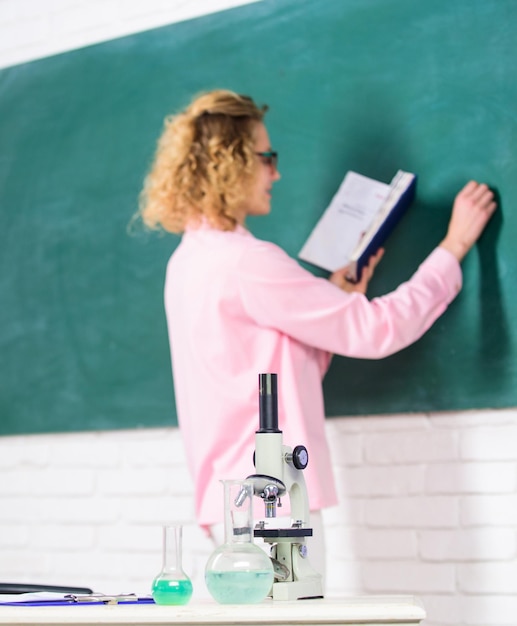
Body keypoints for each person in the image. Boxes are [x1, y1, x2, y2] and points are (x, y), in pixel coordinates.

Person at [138, 89, 496, 555]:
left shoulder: (187, 263)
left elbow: (259, 374)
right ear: (233, 161)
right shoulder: (248, 263)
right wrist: (453, 248)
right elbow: (376, 329)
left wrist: (334, 295)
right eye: (267, 157)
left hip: (228, 502)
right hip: (272, 499)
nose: (276, 172)